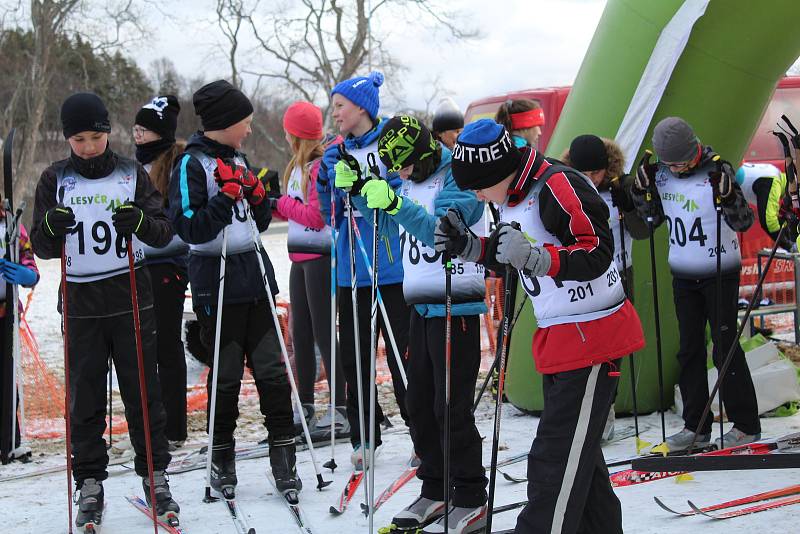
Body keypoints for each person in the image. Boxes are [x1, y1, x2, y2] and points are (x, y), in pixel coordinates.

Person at [436, 119, 645, 534]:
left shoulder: (557, 185)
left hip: (593, 336)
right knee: (580, 460)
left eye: (478, 186)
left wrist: (538, 258)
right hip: (561, 336)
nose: (476, 195)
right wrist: (471, 248)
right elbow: (511, 252)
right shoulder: (512, 193)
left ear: (497, 172)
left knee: (556, 457)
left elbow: (597, 252)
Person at [31, 92, 180, 528]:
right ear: (67, 139)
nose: (90, 147)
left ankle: (155, 476)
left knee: (142, 394)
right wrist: (48, 229)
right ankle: (90, 482)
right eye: (79, 139)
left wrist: (138, 222)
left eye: (96, 137)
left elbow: (161, 231)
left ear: (107, 132)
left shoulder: (130, 173)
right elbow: (41, 248)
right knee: (85, 401)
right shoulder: (53, 178)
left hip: (131, 297)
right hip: (80, 304)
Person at [347, 115, 488, 533]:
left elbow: (437, 233)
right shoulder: (411, 180)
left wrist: (392, 201)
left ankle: (470, 493)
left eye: (404, 166)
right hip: (419, 308)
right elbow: (390, 225)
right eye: (396, 171)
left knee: (450, 407)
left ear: (424, 153)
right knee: (418, 404)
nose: (401, 175)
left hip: (454, 308)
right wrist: (360, 193)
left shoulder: (458, 180)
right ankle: (435, 487)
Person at [168, 80, 300, 496]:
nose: (248, 130)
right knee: (225, 378)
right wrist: (224, 198)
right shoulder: (190, 165)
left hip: (254, 278)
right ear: (223, 123)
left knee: (273, 373)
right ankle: (221, 456)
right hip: (216, 280)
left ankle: (284, 454)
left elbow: (257, 223)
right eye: (244, 122)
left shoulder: (239, 157)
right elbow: (188, 227)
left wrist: (257, 196)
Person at [631, 116, 760, 451]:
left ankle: (745, 425)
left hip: (720, 272)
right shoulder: (660, 174)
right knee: (688, 350)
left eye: (684, 161)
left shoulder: (718, 170)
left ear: (695, 149)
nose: (677, 169)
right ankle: (696, 427)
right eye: (670, 163)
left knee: (724, 346)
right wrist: (640, 191)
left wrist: (730, 197)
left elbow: (744, 221)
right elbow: (649, 222)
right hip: (684, 276)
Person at [317, 71, 410, 468]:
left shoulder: (389, 145)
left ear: (361, 108)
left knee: (403, 358)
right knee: (355, 359)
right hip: (351, 272)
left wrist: (371, 185)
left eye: (339, 105)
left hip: (391, 269)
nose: (333, 112)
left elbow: (403, 197)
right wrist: (333, 184)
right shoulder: (334, 153)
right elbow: (329, 215)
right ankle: (364, 437)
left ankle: (420, 432)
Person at [561, 134, 650, 442]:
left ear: (607, 168)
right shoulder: (564, 187)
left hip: (617, 275)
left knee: (613, 351)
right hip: (580, 278)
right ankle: (580, 413)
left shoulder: (617, 188)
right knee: (582, 348)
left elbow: (642, 232)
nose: (590, 179)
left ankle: (605, 412)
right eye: (583, 173)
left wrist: (633, 206)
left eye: (596, 173)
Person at [273, 101, 348, 439]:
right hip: (298, 258)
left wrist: (281, 203)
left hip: (320, 257)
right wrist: (266, 200)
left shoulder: (318, 167)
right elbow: (292, 211)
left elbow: (317, 217)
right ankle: (304, 406)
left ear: (295, 134)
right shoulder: (296, 166)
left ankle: (342, 407)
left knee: (322, 332)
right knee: (299, 333)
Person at [133, 95, 189, 450]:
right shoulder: (136, 166)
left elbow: (174, 222)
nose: (137, 135)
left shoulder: (174, 164)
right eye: (135, 129)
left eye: (144, 130)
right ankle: (152, 424)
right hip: (140, 265)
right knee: (143, 347)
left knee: (166, 344)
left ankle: (174, 427)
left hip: (167, 264)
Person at [0, 208, 39, 463]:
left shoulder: (9, 223)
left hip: (5, 313)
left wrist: (27, 273)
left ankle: (8, 440)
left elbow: (29, 262)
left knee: (5, 379)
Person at [735, 162, 796, 250]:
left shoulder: (774, 172)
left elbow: (775, 217)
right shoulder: (774, 183)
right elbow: (769, 222)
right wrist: (790, 246)